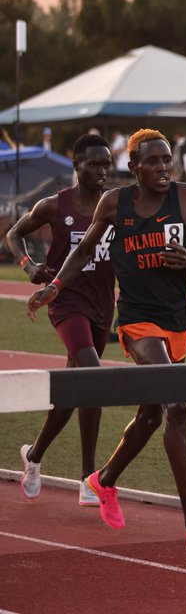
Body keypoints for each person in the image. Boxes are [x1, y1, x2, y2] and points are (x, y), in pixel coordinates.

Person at [26, 128, 186, 553]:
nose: (163, 168)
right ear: (133, 167)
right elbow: (82, 253)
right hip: (136, 321)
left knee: (152, 416)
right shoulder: (115, 203)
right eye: (152, 161)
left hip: (177, 320)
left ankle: (105, 480)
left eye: (167, 160)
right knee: (177, 404)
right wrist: (55, 287)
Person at [6, 133, 115, 506]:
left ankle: (33, 455)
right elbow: (13, 233)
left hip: (103, 303)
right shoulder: (55, 205)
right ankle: (89, 476)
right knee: (93, 376)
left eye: (106, 164)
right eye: (94, 164)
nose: (102, 171)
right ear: (76, 166)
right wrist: (28, 265)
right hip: (66, 302)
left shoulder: (115, 205)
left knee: (72, 391)